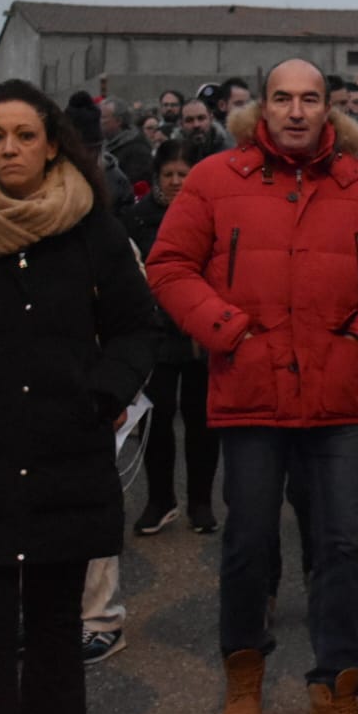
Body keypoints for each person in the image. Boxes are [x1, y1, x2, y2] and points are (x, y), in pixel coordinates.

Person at [147, 58, 358, 714]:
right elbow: (169, 265)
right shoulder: (217, 179)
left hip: (340, 395)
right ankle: (243, 672)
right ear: (262, 109)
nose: (297, 111)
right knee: (248, 541)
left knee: (336, 543)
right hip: (250, 391)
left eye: (310, 99)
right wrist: (230, 333)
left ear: (329, 108)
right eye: (283, 99)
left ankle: (336, 680)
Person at [0, 80, 156, 714]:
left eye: (25, 136)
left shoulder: (90, 229)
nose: (10, 149)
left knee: (55, 635)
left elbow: (138, 326)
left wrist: (102, 394)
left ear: (52, 145)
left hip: (65, 456)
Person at [122, 139, 221, 537]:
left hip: (198, 331)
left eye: (184, 174)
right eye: (169, 175)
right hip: (156, 334)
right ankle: (160, 499)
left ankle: (201, 501)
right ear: (156, 177)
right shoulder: (136, 218)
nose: (177, 182)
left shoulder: (210, 211)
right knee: (155, 420)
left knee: (202, 420)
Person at [99, 96, 154, 186]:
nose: (99, 121)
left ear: (118, 121)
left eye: (103, 117)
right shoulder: (103, 145)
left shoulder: (137, 149)